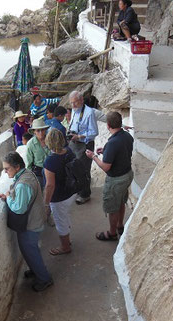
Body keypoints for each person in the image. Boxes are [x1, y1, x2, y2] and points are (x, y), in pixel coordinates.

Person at [0, 152, 53, 292]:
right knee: (31, 251)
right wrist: (9, 196)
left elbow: (19, 209)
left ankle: (45, 279)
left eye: (7, 168)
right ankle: (35, 270)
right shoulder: (27, 174)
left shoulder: (23, 184)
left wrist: (8, 197)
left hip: (30, 224)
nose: (5, 171)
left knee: (30, 252)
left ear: (16, 166)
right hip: (36, 220)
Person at [86, 112, 134, 241]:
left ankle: (112, 233)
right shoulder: (127, 136)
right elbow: (121, 151)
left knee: (113, 207)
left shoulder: (112, 143)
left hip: (116, 179)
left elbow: (106, 167)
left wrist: (94, 156)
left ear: (108, 125)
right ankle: (120, 225)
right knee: (121, 201)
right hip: (127, 174)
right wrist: (106, 151)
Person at [43, 129, 77, 255]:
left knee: (60, 221)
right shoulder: (69, 152)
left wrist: (46, 203)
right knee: (65, 215)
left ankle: (65, 247)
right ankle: (67, 240)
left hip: (59, 197)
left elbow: (50, 185)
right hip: (71, 192)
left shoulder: (50, 161)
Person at [68, 90, 99, 204]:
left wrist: (80, 136)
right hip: (74, 142)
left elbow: (94, 132)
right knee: (74, 168)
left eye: (75, 102)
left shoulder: (89, 112)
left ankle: (85, 194)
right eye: (71, 103)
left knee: (84, 170)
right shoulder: (74, 110)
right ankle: (78, 189)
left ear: (81, 100)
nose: (73, 105)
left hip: (85, 144)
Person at [26, 117, 51, 188]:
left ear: (45, 130)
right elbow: (29, 164)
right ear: (34, 131)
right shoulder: (30, 144)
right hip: (39, 171)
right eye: (38, 130)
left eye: (42, 130)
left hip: (52, 168)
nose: (40, 133)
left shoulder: (50, 140)